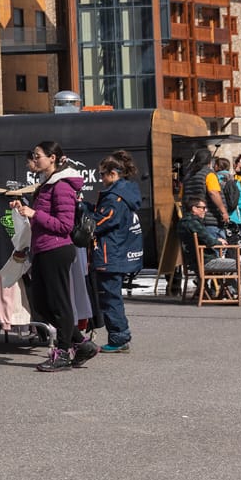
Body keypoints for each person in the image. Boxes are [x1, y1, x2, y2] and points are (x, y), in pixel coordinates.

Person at [15, 141, 96, 372]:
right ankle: (81, 343)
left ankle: (62, 352)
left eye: (38, 155)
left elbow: (64, 225)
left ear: (52, 158)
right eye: (34, 155)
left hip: (57, 249)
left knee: (59, 303)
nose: (35, 159)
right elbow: (42, 218)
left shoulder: (61, 186)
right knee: (41, 303)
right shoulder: (46, 185)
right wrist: (23, 210)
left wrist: (34, 213)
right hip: (42, 248)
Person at [89, 151, 143, 354]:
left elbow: (99, 222)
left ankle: (119, 337)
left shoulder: (115, 197)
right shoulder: (127, 191)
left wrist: (82, 212)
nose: (100, 179)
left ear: (113, 173)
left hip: (110, 253)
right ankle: (119, 335)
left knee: (110, 297)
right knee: (112, 295)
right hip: (118, 250)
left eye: (102, 174)